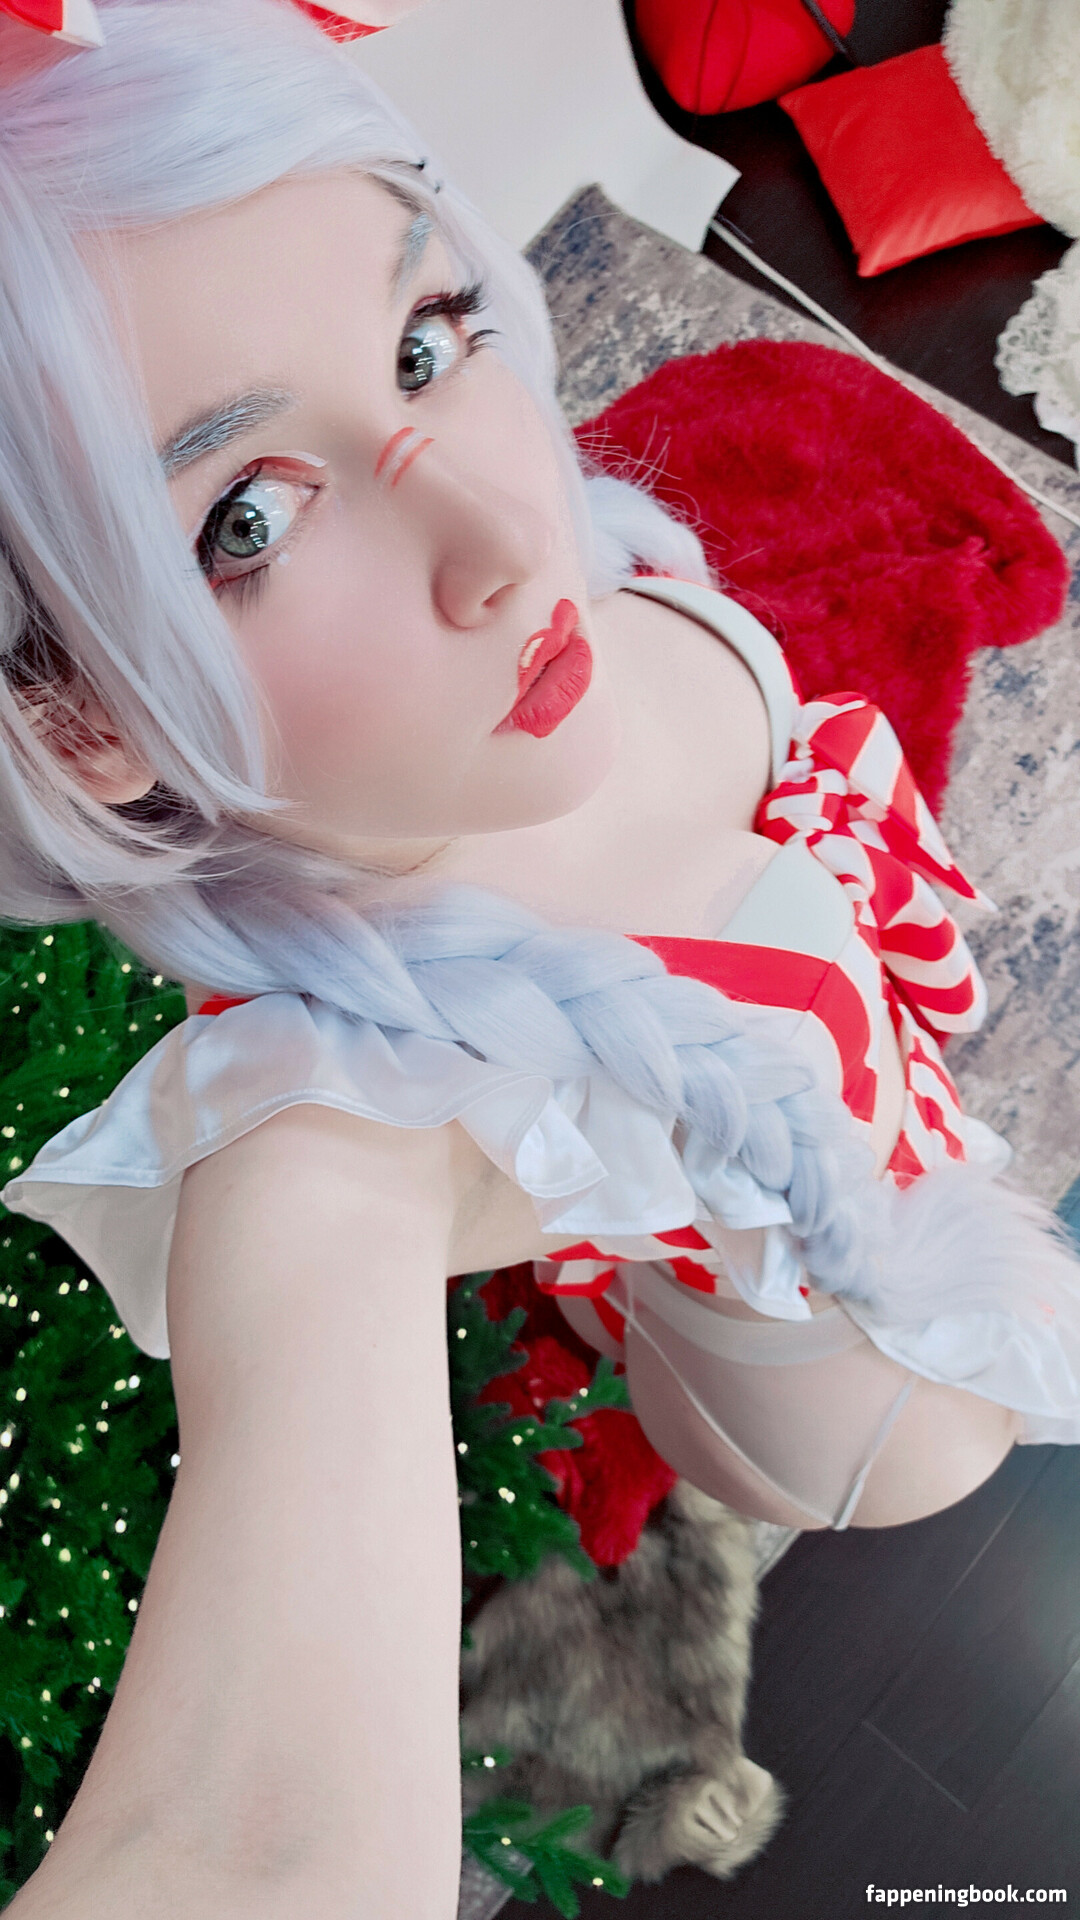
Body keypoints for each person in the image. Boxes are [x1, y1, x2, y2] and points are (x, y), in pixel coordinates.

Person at [0, 2, 1078, 1914]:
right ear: (83, 722)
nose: (508, 528)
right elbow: (248, 1849)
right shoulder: (328, 1139)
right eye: (246, 519)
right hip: (860, 1410)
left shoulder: (551, 589)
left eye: (423, 337)